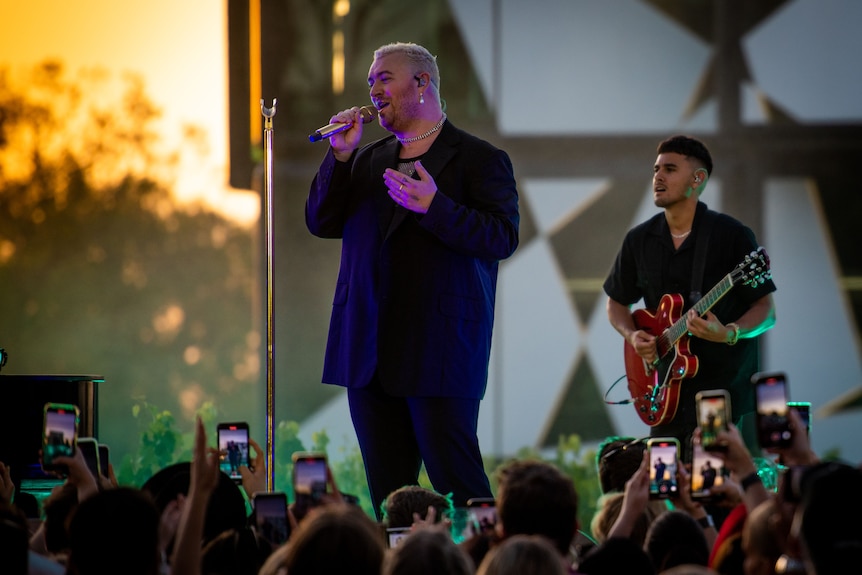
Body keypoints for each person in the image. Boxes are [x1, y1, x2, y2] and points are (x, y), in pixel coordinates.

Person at [305, 41, 520, 517]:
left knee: (458, 482)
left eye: (384, 78)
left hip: (439, 350)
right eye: (370, 82)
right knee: (390, 494)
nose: (373, 88)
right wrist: (339, 158)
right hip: (369, 348)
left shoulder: (479, 159)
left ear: (421, 82)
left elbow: (502, 236)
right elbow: (321, 222)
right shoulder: (365, 159)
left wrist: (435, 207)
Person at [604, 135, 777, 461]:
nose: (658, 177)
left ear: (698, 179)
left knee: (712, 487)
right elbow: (616, 303)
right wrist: (633, 335)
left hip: (717, 396)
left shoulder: (732, 235)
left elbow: (766, 311)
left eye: (670, 169)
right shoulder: (639, 240)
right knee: (664, 486)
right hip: (663, 394)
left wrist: (729, 333)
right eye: (656, 169)